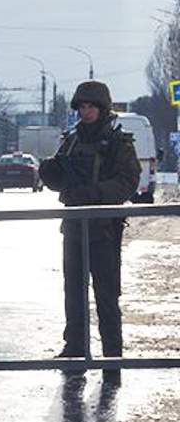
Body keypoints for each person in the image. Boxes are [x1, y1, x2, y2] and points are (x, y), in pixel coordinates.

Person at [39, 81, 140, 384]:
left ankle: (112, 360)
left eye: (91, 107)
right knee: (74, 292)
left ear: (102, 108)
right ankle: (75, 352)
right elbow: (60, 176)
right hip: (74, 227)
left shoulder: (117, 141)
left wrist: (93, 193)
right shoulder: (71, 140)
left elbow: (128, 182)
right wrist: (51, 174)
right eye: (81, 107)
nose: (86, 112)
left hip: (103, 229)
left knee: (106, 296)